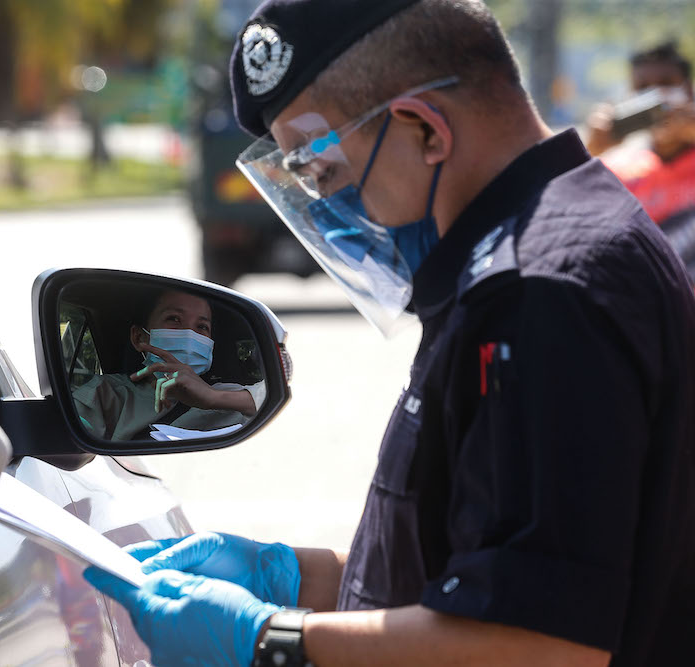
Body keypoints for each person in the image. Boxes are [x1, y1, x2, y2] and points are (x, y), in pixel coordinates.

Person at [85, 1, 695, 666]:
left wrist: (272, 641)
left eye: (323, 173)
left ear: (423, 130)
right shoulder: (541, 245)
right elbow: (484, 569)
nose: (329, 206)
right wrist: (302, 576)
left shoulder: (537, 294)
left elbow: (540, 643)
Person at [72, 288, 265, 441]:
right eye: (174, 319)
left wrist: (213, 398)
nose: (189, 334)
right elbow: (69, 446)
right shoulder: (105, 394)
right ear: (139, 337)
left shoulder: (230, 395)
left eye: (202, 327)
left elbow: (278, 398)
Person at [586, 41, 695, 225]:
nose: (655, 98)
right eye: (643, 88)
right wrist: (588, 153)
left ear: (689, 91)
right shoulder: (619, 172)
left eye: (666, 83)